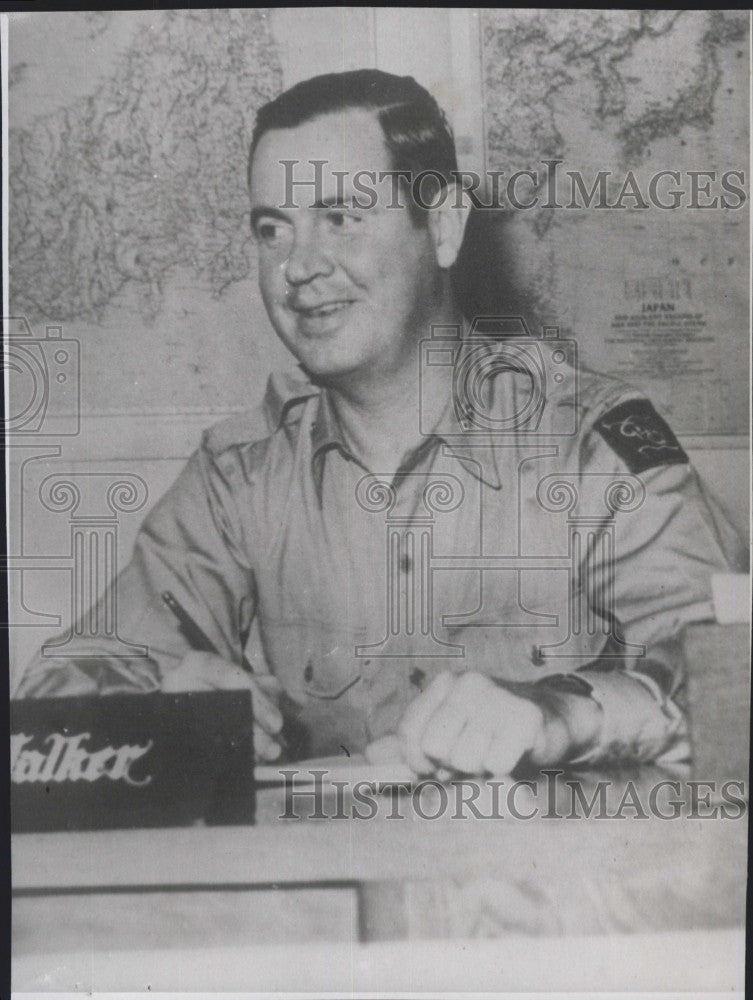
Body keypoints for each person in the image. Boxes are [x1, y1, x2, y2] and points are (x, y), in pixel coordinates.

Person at [17, 70, 745, 778]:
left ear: (445, 227)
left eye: (340, 218)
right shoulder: (239, 476)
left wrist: (563, 715)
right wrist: (153, 708)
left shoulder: (585, 441)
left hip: (550, 891)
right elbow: (58, 685)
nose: (297, 267)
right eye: (272, 230)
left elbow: (729, 668)